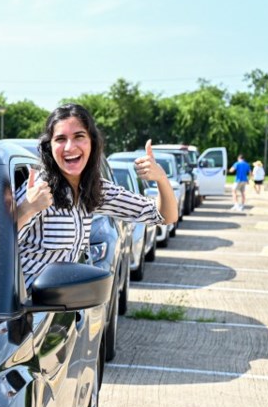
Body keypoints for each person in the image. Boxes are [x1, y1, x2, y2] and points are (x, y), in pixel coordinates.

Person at [16, 103, 178, 286]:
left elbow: (165, 216)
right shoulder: (39, 189)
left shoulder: (95, 189)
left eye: (79, 136)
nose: (69, 147)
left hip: (61, 308)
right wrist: (27, 209)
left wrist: (161, 178)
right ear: (50, 147)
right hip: (25, 310)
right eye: (60, 139)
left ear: (92, 142)